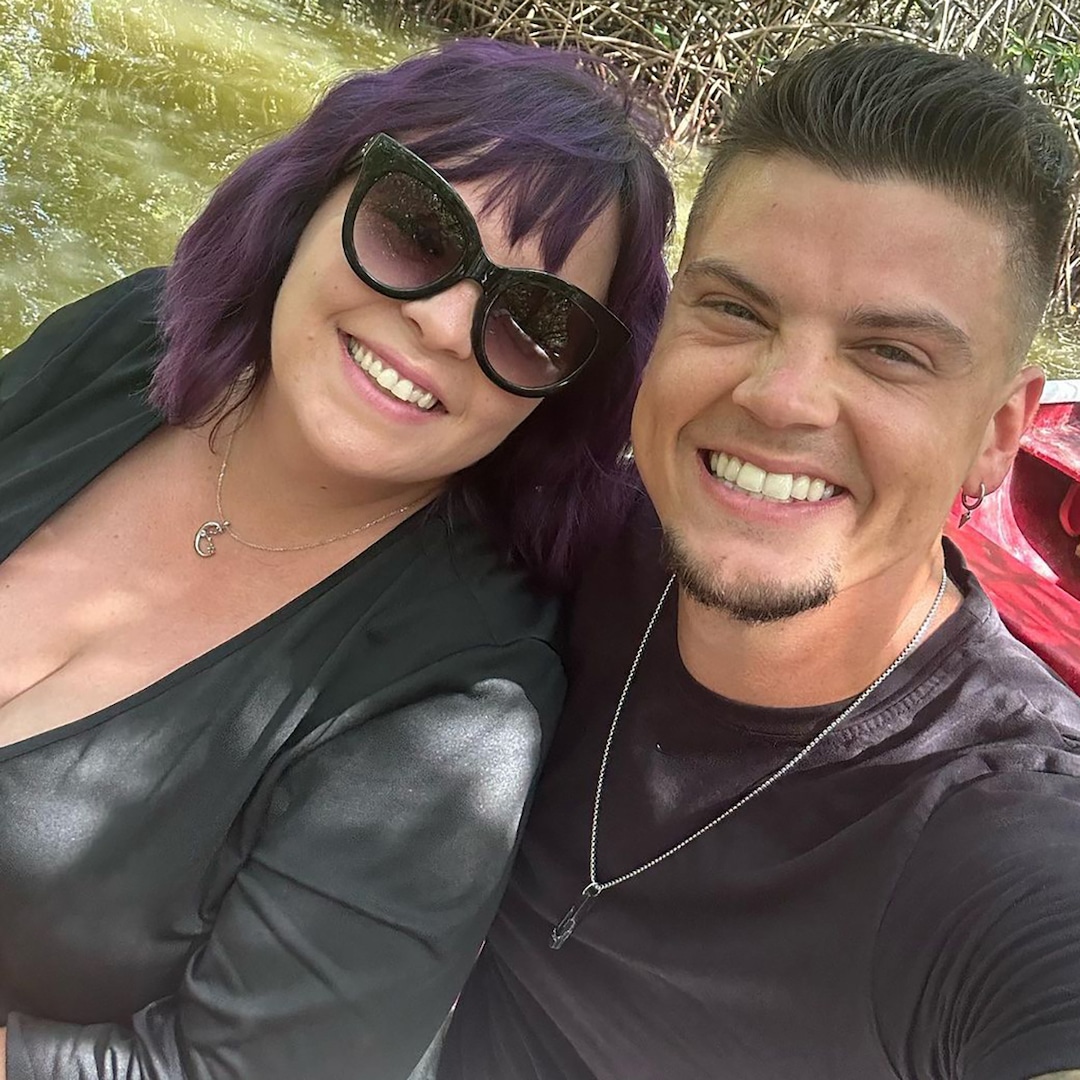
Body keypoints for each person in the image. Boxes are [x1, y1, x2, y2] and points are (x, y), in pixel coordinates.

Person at [0, 38, 674, 1080]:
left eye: (534, 321)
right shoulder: (132, 340)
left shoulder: (457, 711)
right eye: (417, 228)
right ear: (314, 193)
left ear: (562, 395)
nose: (444, 324)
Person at [438, 41, 1080, 1080]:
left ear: (999, 435)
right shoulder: (571, 534)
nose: (782, 398)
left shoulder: (1003, 837)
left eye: (891, 353)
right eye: (736, 310)